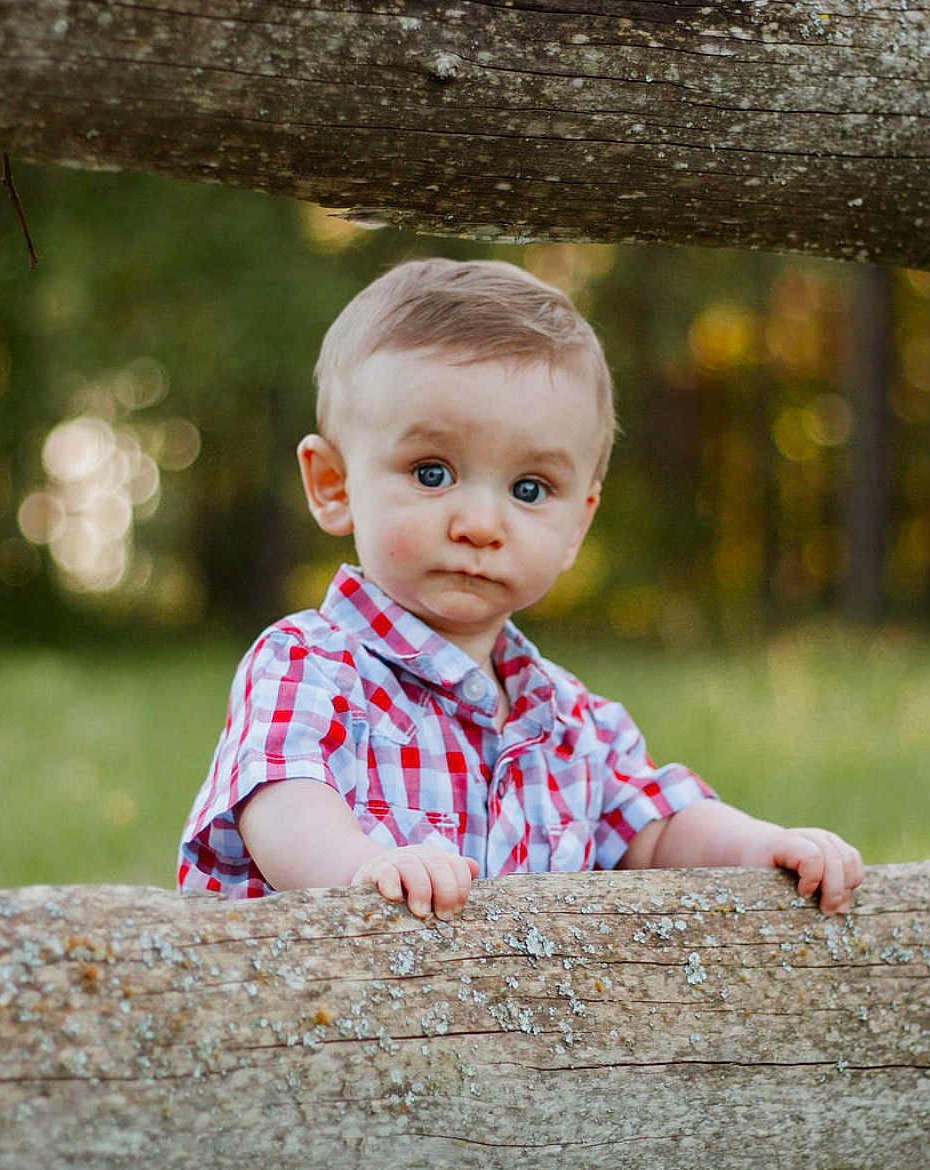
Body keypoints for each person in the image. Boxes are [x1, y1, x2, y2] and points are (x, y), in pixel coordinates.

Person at [178, 258, 863, 920]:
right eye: (432, 471)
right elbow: (281, 804)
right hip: (326, 1017)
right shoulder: (309, 664)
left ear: (576, 526)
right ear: (334, 485)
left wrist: (761, 846)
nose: (480, 524)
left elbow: (659, 828)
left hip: (505, 1031)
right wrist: (361, 868)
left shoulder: (574, 722)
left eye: (529, 489)